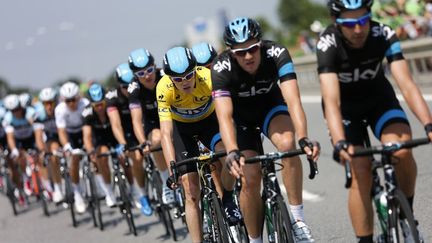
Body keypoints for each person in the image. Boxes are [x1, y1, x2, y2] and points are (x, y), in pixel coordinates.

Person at [317, 1, 432, 242]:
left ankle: (406, 215)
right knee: (361, 169)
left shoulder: (384, 33)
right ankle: (365, 239)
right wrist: (339, 142)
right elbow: (331, 100)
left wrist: (429, 124)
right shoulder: (328, 43)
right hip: (345, 109)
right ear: (337, 23)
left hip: (379, 100)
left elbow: (408, 85)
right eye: (350, 24)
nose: (358, 29)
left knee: (401, 149)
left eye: (363, 20)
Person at [211, 17, 320, 243]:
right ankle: (255, 239)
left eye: (252, 49)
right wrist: (232, 151)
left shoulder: (277, 52)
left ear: (260, 44)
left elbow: (293, 100)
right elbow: (224, 116)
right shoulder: (221, 68)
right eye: (241, 52)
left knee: (288, 144)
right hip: (240, 118)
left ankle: (298, 221)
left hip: (270, 107)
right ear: (231, 53)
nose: (248, 56)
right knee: (250, 177)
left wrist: (304, 137)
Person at [158, 46, 232, 243]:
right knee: (190, 191)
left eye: (188, 76)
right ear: (170, 79)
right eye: (178, 79)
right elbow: (166, 133)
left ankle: (228, 197)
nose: (184, 82)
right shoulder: (163, 88)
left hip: (209, 124)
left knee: (226, 156)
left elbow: (227, 113)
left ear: (196, 69)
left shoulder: (207, 78)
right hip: (182, 131)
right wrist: (172, 166)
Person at [128, 48, 172, 213]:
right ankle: (165, 179)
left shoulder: (165, 77)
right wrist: (143, 143)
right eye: (141, 73)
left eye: (149, 70)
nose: (147, 76)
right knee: (157, 138)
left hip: (171, 116)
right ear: (135, 75)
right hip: (152, 123)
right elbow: (136, 120)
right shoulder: (134, 89)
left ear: (155, 66)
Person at [106, 63, 151, 216]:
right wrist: (123, 144)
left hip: (143, 126)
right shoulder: (112, 97)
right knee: (137, 158)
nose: (128, 89)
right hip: (126, 132)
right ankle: (143, 194)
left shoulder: (139, 89)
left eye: (130, 85)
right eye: (124, 87)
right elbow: (115, 124)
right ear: (119, 86)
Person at [55, 81, 89, 213]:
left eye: (73, 100)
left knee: (93, 154)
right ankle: (77, 193)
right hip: (70, 134)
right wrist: (67, 146)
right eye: (68, 101)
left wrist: (88, 144)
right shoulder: (60, 109)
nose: (71, 103)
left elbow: (89, 128)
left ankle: (96, 185)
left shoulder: (85, 104)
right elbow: (61, 132)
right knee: (74, 159)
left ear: (78, 97)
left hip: (84, 131)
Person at [82, 83, 117, 207]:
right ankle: (109, 192)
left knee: (124, 160)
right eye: (96, 105)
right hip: (99, 139)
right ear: (92, 104)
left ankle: (134, 190)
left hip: (113, 135)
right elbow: (86, 136)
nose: (100, 108)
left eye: (101, 104)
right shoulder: (87, 112)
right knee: (102, 157)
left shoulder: (111, 105)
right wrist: (91, 151)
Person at [2, 94, 38, 202]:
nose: (16, 112)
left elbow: (37, 129)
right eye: (13, 111)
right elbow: (10, 137)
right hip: (18, 141)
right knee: (19, 157)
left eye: (18, 109)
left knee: (38, 157)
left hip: (30, 138)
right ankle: (26, 179)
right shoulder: (8, 117)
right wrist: (14, 150)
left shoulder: (29, 112)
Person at [33, 87, 64, 203]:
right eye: (46, 103)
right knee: (53, 156)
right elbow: (38, 137)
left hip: (66, 135)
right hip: (52, 138)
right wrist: (43, 151)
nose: (49, 106)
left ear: (55, 101)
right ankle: (57, 188)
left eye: (51, 102)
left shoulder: (61, 110)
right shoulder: (39, 115)